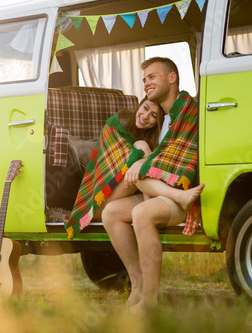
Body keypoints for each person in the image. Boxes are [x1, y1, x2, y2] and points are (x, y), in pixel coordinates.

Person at [101, 57, 204, 312]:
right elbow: (161, 157)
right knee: (111, 212)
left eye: (152, 76)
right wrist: (145, 159)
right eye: (144, 78)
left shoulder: (187, 109)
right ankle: (137, 283)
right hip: (159, 191)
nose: (146, 82)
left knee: (142, 211)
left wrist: (145, 164)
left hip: (183, 190)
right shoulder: (164, 119)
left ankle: (150, 300)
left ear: (172, 78)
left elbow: (178, 157)